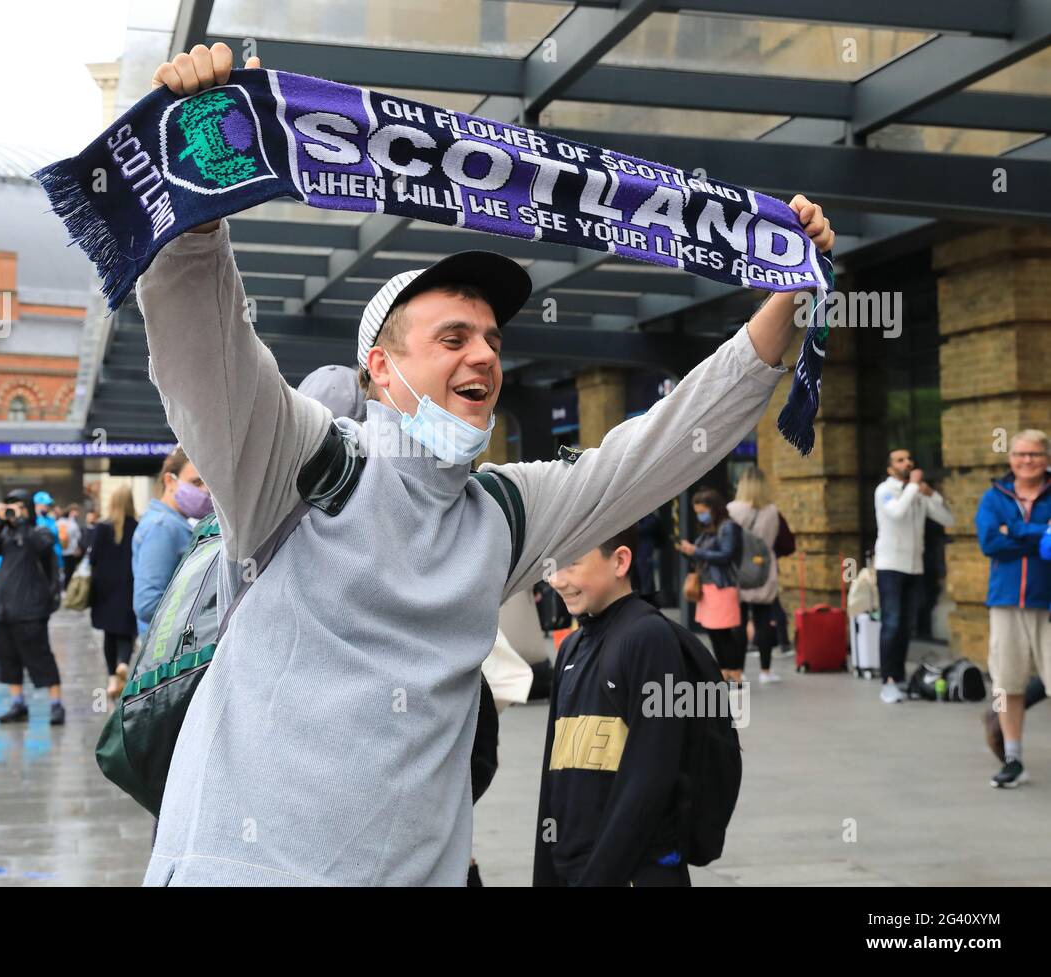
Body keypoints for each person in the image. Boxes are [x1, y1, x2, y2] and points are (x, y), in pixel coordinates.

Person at [137, 42, 833, 887]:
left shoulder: (502, 511)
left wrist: (784, 302)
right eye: (453, 337)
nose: (484, 357)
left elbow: (656, 448)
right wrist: (202, 197)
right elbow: (205, 351)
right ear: (381, 369)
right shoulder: (301, 459)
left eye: (494, 340)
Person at [534, 524, 689, 886]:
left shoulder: (650, 638)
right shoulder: (571, 647)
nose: (557, 580)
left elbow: (651, 780)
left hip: (634, 873)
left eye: (572, 564)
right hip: (574, 868)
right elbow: (552, 779)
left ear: (620, 561)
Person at [975, 431, 1051, 787]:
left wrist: (1015, 531)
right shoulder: (994, 497)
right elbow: (991, 542)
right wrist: (1040, 534)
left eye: (1035, 454)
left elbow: (1006, 538)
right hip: (1005, 601)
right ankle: (1013, 758)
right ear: (1011, 458)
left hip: (1047, 602)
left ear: (1046, 458)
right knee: (1007, 687)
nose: (1027, 460)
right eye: (1021, 454)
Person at [873, 448, 955, 704]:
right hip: (890, 566)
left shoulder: (916, 494)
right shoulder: (884, 491)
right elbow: (896, 513)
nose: (907, 462)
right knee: (892, 623)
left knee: (907, 625)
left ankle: (899, 677)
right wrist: (915, 487)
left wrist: (933, 496)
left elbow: (948, 519)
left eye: (909, 458)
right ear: (890, 469)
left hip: (914, 567)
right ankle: (887, 680)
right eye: (900, 460)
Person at [0, 490, 65, 725]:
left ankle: (56, 705)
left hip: (31, 610)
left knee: (41, 658)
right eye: (9, 506)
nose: (13, 510)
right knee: (8, 659)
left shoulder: (41, 531)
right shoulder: (5, 533)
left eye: (17, 506)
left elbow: (42, 546)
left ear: (27, 507)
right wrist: (0, 522)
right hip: (3, 608)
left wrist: (24, 520)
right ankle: (17, 703)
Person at [132, 450, 204, 635]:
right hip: (167, 647)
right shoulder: (164, 526)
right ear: (170, 481)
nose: (205, 491)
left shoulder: (168, 522)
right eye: (196, 482)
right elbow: (148, 605)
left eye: (208, 483)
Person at [678, 488, 744, 684]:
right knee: (714, 632)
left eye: (702, 512)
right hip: (708, 587)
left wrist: (696, 551)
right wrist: (688, 551)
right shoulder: (710, 529)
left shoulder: (728, 527)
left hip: (721, 586)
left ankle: (735, 673)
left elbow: (726, 555)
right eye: (697, 513)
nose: (700, 516)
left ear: (714, 509)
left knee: (724, 632)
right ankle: (724, 671)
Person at [727, 467, 782, 684]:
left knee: (738, 622)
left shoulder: (732, 509)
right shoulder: (772, 511)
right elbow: (773, 539)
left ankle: (738, 672)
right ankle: (765, 671)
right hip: (764, 569)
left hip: (739, 569)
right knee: (764, 620)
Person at [89, 486, 139, 697]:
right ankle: (123, 663)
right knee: (126, 631)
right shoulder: (138, 527)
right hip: (129, 585)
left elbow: (92, 559)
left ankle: (111, 680)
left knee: (109, 634)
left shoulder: (102, 528)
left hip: (104, 588)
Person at [32, 491, 66, 583]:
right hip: (40, 563)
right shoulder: (33, 521)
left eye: (49, 504)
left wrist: (60, 563)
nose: (48, 506)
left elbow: (57, 541)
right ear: (37, 504)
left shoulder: (51, 519)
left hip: (55, 560)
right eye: (45, 504)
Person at [58, 504, 85, 579]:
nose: (77, 514)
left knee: (70, 572)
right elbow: (74, 535)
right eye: (76, 511)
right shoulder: (66, 522)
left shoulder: (67, 522)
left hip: (70, 551)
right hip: (67, 551)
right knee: (68, 573)